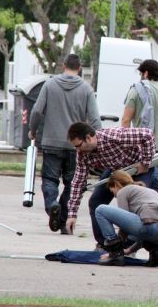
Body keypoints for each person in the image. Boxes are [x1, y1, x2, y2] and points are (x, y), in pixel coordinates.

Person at [29, 54, 101, 234]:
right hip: (76, 146)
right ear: (79, 68)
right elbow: (94, 119)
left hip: (51, 141)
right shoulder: (86, 89)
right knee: (72, 183)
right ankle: (62, 222)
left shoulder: (50, 84)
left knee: (49, 179)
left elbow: (37, 110)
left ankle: (52, 205)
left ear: (63, 65)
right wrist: (97, 141)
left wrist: (33, 129)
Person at [65, 122, 156, 248]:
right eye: (75, 147)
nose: (78, 150)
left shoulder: (115, 136)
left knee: (138, 205)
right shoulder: (82, 155)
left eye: (79, 146)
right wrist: (72, 214)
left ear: (89, 137)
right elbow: (78, 181)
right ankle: (106, 244)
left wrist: (145, 163)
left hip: (137, 168)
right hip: (115, 171)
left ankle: (132, 245)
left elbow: (147, 135)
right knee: (95, 201)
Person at [121, 59, 158, 196]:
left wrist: (126, 147)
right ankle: (155, 217)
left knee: (140, 192)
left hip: (139, 151)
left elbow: (125, 120)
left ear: (146, 73)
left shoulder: (136, 91)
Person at [95, 171, 158, 267]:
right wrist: (129, 251)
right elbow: (143, 229)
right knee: (143, 226)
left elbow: (123, 228)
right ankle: (156, 252)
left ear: (116, 184)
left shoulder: (123, 191)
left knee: (100, 210)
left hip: (152, 227)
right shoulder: (147, 191)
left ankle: (115, 255)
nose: (115, 196)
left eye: (113, 192)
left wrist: (116, 251)